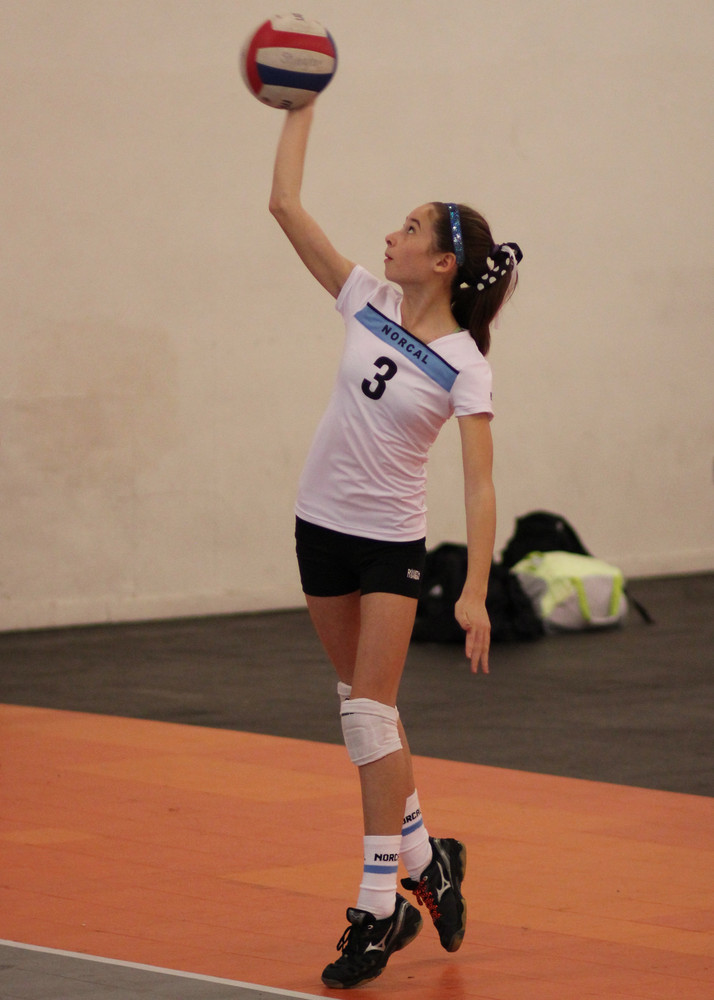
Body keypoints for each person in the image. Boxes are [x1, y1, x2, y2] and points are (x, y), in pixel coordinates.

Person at [268, 102, 522, 989]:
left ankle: (380, 907)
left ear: (443, 262)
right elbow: (284, 205)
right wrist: (300, 106)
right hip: (318, 528)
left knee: (371, 717)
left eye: (408, 228)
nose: (390, 235)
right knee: (360, 708)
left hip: (388, 546)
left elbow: (480, 485)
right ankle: (428, 862)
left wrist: (475, 589)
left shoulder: (465, 363)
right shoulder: (366, 301)